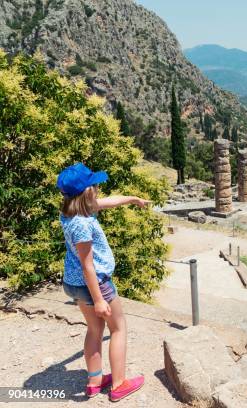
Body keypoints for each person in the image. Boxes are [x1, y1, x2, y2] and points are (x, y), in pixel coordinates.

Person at [57, 163, 149, 401]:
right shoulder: (83, 224)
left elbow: (109, 202)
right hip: (94, 284)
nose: (98, 189)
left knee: (94, 329)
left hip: (74, 283)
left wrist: (132, 198)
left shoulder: (71, 212)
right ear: (87, 192)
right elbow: (88, 265)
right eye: (95, 185)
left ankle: (95, 381)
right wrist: (98, 299)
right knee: (118, 328)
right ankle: (119, 384)